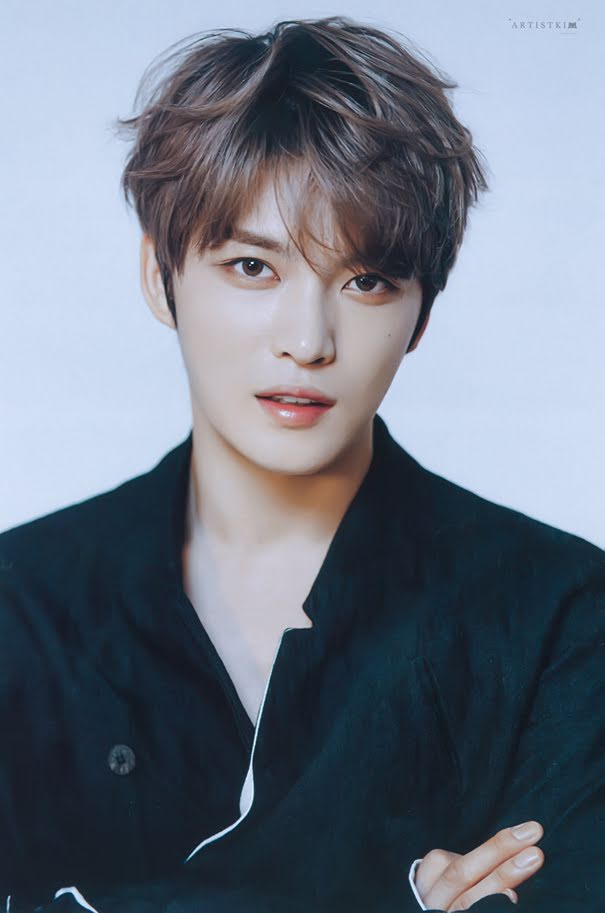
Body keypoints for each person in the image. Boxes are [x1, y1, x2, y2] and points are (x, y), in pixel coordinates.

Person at [0, 15, 603, 913]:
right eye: (253, 266)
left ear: (422, 313)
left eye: (367, 281)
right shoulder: (20, 600)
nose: (308, 339)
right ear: (160, 276)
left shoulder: (559, 611)